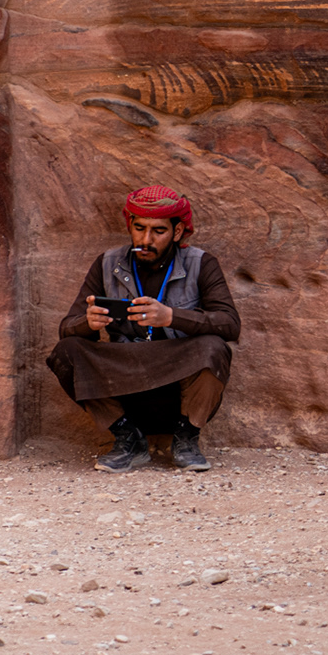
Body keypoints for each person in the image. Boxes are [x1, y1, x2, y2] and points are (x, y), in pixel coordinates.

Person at [45, 186, 240, 473]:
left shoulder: (201, 263)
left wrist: (171, 317)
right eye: (139, 228)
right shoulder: (108, 262)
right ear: (130, 226)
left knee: (213, 347)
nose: (145, 240)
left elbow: (230, 323)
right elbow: (67, 328)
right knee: (68, 351)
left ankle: (186, 438)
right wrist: (88, 323)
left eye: (158, 231)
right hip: (125, 375)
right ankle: (128, 438)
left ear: (177, 231)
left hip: (178, 379)